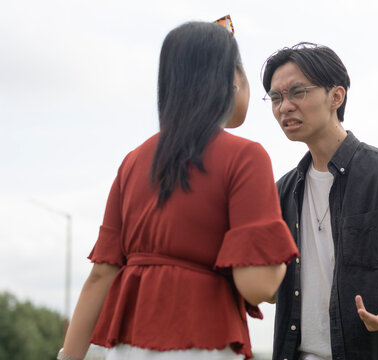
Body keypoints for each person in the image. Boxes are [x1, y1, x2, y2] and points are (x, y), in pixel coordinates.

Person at [57, 19, 299, 360]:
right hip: (203, 340)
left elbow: (100, 275)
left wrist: (69, 356)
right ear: (233, 78)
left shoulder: (133, 161)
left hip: (129, 345)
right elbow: (256, 285)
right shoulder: (246, 156)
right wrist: (281, 256)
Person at [262, 43, 378, 360]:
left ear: (336, 96)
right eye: (276, 98)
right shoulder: (282, 191)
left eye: (297, 92)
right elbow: (271, 290)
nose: (285, 107)